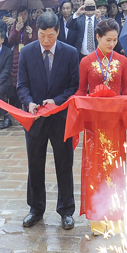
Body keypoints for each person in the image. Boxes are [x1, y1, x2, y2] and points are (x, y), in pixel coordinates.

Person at [17, 12, 80, 230]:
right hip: (35, 119)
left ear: (58, 32)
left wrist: (56, 101)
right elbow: (21, 85)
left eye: (50, 36)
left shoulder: (70, 53)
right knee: (35, 164)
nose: (45, 40)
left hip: (61, 118)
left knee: (64, 164)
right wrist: (29, 102)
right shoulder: (27, 52)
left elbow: (74, 87)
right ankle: (35, 209)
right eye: (42, 35)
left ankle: (66, 211)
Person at [76, 19, 127, 235]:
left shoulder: (121, 61)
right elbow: (81, 91)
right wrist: (76, 102)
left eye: (115, 40)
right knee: (96, 168)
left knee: (115, 168)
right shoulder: (86, 62)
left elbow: (126, 88)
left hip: (115, 124)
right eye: (107, 40)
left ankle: (116, 219)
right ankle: (98, 222)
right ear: (97, 38)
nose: (112, 44)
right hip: (94, 125)